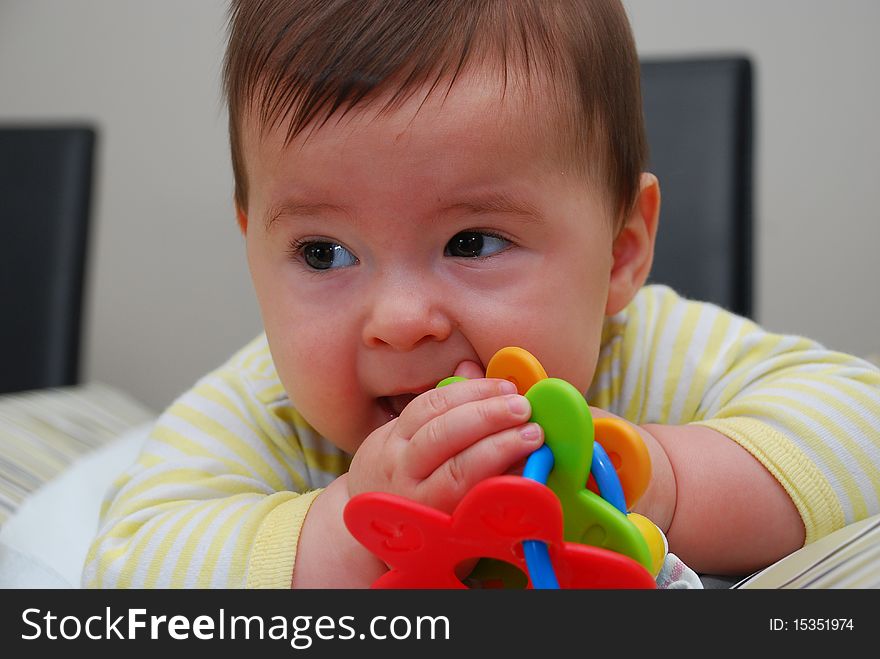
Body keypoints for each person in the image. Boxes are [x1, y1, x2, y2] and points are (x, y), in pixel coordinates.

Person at [83, 0, 880, 588]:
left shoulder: (651, 354)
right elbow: (128, 565)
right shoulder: (268, 409)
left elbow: (861, 423)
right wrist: (357, 529)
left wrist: (657, 481)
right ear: (253, 244)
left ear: (619, 253)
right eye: (322, 252)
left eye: (471, 242)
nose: (398, 322)